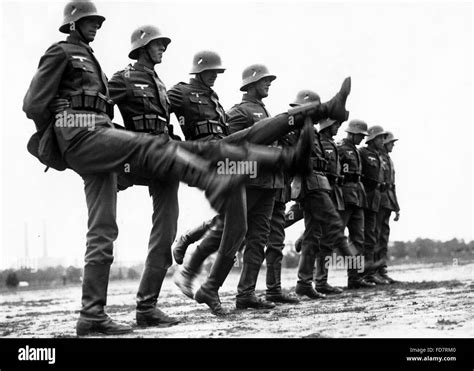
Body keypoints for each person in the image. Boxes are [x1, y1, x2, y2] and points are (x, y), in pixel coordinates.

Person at [22, 1, 287, 335]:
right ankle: (96, 313)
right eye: (89, 21)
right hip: (112, 146)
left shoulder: (150, 81)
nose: (96, 26)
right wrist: (65, 126)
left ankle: (140, 308)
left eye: (97, 22)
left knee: (155, 232)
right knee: (113, 214)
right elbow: (34, 104)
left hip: (138, 151)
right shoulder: (91, 64)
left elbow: (111, 109)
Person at [169, 54, 353, 314]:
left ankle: (245, 294)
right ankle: (192, 257)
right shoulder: (239, 112)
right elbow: (228, 142)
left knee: (257, 239)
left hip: (270, 181)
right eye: (265, 80)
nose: (269, 84)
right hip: (249, 177)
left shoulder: (259, 111)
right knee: (229, 230)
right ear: (251, 82)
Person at [105, 25, 181, 328]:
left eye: (164, 43)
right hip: (139, 158)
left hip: (164, 159)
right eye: (158, 44)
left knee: (166, 232)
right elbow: (101, 113)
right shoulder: (123, 78)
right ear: (142, 46)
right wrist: (122, 144)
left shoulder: (161, 83)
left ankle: (147, 307)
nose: (163, 48)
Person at [292, 90, 356, 300]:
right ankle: (306, 281)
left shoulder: (313, 135)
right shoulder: (296, 132)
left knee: (314, 237)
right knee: (316, 236)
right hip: (309, 187)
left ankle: (305, 283)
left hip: (320, 186)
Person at [338, 120, 376, 289]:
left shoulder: (356, 151)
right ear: (351, 133)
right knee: (335, 236)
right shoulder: (340, 148)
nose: (362, 139)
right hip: (344, 196)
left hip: (358, 197)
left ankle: (354, 278)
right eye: (360, 135)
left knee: (358, 240)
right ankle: (320, 280)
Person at [314, 118, 345, 294]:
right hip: (321, 191)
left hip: (332, 191)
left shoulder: (331, 144)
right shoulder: (320, 143)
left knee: (327, 240)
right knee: (319, 236)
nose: (337, 128)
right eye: (335, 125)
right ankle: (318, 281)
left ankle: (321, 281)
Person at [359, 125, 389, 285]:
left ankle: (370, 273)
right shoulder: (362, 153)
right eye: (380, 138)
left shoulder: (378, 155)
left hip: (375, 199)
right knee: (361, 236)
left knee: (371, 237)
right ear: (371, 138)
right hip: (364, 197)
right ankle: (360, 274)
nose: (382, 141)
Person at [375, 131, 400, 284]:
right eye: (391, 142)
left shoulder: (388, 160)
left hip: (387, 202)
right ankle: (373, 272)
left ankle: (381, 271)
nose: (393, 145)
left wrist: (396, 207)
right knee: (375, 237)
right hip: (378, 201)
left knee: (383, 238)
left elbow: (392, 185)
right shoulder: (377, 158)